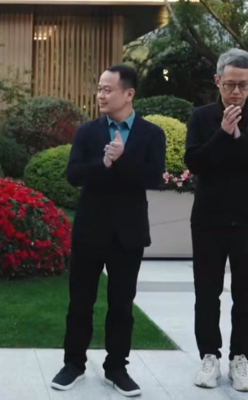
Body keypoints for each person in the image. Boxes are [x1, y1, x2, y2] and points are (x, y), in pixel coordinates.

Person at [50, 65, 165, 398]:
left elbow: (154, 178)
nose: (100, 95)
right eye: (99, 88)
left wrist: (122, 159)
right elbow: (74, 175)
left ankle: (117, 368)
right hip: (90, 230)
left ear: (128, 94)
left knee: (122, 305)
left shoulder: (151, 134)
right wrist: (103, 164)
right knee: (80, 303)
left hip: (129, 233)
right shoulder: (88, 132)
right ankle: (73, 364)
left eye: (107, 89)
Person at [185, 48, 248, 393]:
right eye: (229, 84)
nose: (236, 91)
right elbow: (195, 162)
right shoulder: (202, 117)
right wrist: (222, 134)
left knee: (247, 295)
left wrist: (240, 138)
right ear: (217, 81)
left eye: (243, 85)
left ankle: (240, 357)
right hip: (209, 219)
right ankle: (209, 356)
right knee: (206, 293)